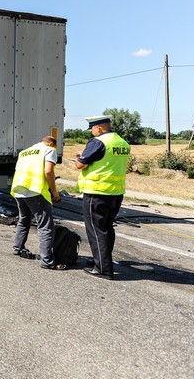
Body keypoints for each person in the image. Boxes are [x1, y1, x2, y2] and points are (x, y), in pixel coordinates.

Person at [74, 115, 130, 280]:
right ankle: (103, 261)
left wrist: (78, 158)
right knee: (106, 228)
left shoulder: (97, 142)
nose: (92, 132)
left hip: (97, 192)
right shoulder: (122, 142)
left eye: (92, 129)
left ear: (98, 127)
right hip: (116, 193)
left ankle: (103, 268)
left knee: (96, 230)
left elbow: (81, 164)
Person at [11, 135, 65, 270]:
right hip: (35, 191)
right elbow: (48, 171)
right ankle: (47, 260)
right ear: (52, 143)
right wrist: (55, 193)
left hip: (19, 190)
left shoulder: (24, 152)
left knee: (24, 219)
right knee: (45, 226)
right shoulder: (49, 150)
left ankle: (17, 248)